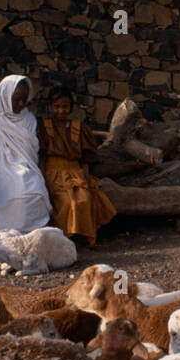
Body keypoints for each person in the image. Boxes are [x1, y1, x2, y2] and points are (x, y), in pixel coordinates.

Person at [0, 74, 52, 233]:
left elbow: (31, 151)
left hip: (25, 167)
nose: (21, 104)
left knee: (34, 187)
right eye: (16, 99)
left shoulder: (28, 119)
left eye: (24, 100)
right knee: (14, 190)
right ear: (4, 95)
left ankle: (32, 234)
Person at [37, 89, 116, 245]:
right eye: (57, 106)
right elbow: (42, 157)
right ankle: (65, 238)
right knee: (67, 202)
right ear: (51, 107)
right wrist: (42, 179)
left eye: (65, 107)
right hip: (53, 173)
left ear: (71, 108)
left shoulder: (79, 128)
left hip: (75, 172)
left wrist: (85, 178)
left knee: (85, 199)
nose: (61, 111)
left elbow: (84, 159)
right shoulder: (43, 127)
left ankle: (83, 237)